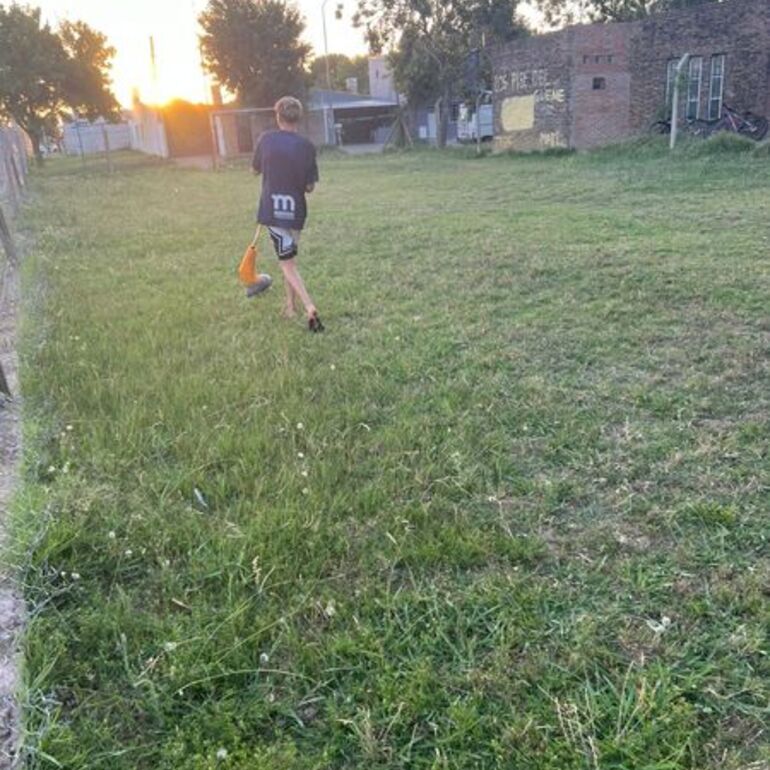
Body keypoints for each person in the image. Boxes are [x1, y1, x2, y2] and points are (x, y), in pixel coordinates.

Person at [252, 96, 324, 332]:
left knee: (287, 264)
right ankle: (290, 307)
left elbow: (255, 169)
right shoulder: (307, 146)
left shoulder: (266, 140)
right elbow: (310, 187)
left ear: (278, 116)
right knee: (289, 261)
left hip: (273, 211)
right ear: (298, 118)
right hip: (296, 213)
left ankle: (309, 306)